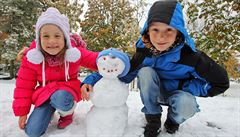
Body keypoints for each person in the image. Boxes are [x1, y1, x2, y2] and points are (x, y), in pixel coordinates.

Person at [81, 1, 229, 137]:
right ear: (147, 30)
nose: (161, 37)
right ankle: (153, 118)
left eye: (169, 30)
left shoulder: (191, 56)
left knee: (186, 102)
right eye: (155, 29)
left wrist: (185, 86)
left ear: (179, 31)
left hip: (178, 95)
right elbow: (120, 73)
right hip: (154, 94)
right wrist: (91, 80)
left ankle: (173, 121)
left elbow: (221, 82)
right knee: (145, 72)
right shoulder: (144, 53)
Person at [12, 7, 98, 137]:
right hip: (44, 95)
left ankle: (67, 113)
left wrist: (116, 59)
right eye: (46, 36)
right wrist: (22, 112)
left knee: (60, 97)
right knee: (32, 131)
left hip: (66, 93)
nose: (51, 41)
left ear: (65, 38)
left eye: (57, 36)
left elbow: (97, 60)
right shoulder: (32, 58)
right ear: (39, 38)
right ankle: (49, 110)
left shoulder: (73, 53)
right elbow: (24, 86)